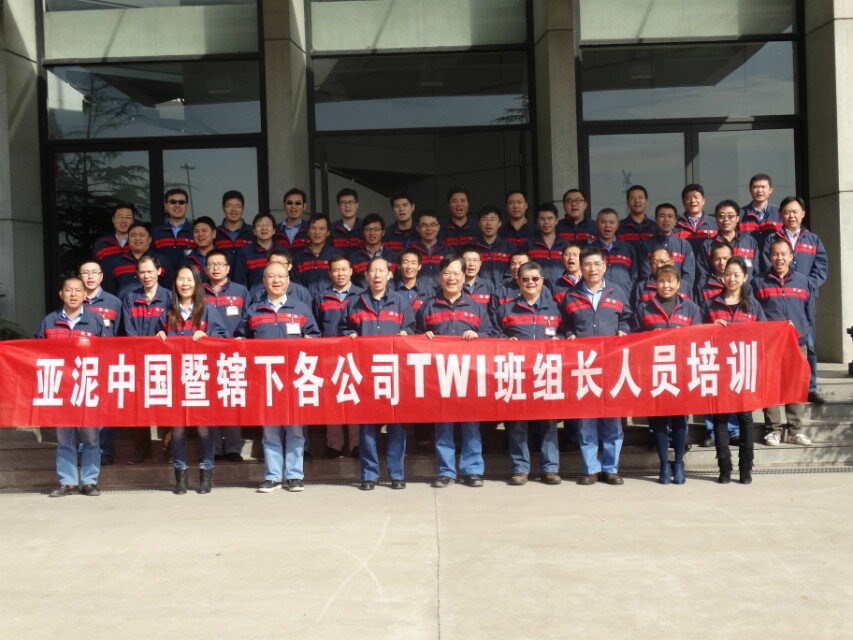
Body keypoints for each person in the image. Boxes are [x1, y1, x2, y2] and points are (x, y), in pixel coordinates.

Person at [240, 262, 321, 492]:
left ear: (288, 280)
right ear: (264, 281)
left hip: (294, 379)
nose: (276, 281)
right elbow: (241, 339)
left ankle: (295, 475)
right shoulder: (254, 310)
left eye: (281, 276)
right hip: (265, 380)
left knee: (295, 429)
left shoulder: (301, 309)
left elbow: (315, 336)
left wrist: (310, 342)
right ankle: (273, 476)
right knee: (270, 430)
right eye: (271, 277)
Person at [416, 255, 494, 487]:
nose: (451, 278)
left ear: (464, 276)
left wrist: (477, 335)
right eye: (447, 273)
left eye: (456, 274)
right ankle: (446, 471)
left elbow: (491, 335)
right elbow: (414, 337)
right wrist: (423, 337)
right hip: (439, 376)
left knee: (471, 424)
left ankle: (473, 470)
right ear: (440, 277)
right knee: (443, 424)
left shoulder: (476, 306)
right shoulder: (428, 306)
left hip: (469, 376)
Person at [339, 257, 415, 490]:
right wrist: (349, 335)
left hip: (394, 373)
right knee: (367, 427)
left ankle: (396, 474)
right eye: (373, 271)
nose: (378, 275)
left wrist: (406, 334)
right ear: (366, 276)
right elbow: (343, 328)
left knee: (396, 426)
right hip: (365, 374)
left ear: (390, 275)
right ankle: (369, 475)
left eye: (382, 271)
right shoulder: (355, 302)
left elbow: (412, 328)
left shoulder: (400, 301)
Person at [562, 246, 632, 486]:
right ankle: (591, 468)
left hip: (612, 365)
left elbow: (628, 319)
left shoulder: (617, 292)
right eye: (587, 264)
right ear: (581, 268)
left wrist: (624, 331)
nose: (592, 269)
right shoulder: (571, 296)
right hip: (584, 367)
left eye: (597, 264)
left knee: (612, 419)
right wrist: (569, 334)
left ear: (605, 266)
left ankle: (611, 469)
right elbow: (564, 325)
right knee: (587, 420)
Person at [156, 265, 228, 494]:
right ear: (175, 283)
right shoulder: (167, 311)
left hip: (201, 378)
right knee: (177, 430)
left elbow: (224, 339)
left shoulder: (208, 310)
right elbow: (154, 340)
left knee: (204, 429)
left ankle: (206, 473)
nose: (185, 284)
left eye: (189, 279)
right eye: (181, 279)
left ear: (197, 284)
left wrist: (208, 337)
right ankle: (181, 477)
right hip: (175, 379)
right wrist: (159, 337)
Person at [493, 261, 562, 486]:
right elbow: (493, 334)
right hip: (518, 374)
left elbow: (567, 333)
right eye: (525, 279)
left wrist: (560, 339)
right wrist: (505, 340)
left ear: (542, 280)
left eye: (535, 279)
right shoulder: (506, 309)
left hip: (546, 373)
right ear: (518, 281)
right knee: (517, 423)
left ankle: (550, 468)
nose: (530, 283)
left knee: (549, 422)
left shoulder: (554, 309)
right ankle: (520, 468)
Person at [36, 275, 106, 497]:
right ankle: (67, 482)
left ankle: (89, 481)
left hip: (88, 386)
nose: (73, 294)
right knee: (64, 438)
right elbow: (36, 353)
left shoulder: (95, 321)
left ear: (85, 295)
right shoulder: (49, 321)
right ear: (61, 294)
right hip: (60, 388)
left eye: (78, 290)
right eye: (69, 290)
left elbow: (108, 353)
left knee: (91, 438)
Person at [635, 265, 703, 484]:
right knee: (659, 420)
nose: (666, 285)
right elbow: (634, 338)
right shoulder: (645, 307)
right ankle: (664, 464)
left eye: (670, 281)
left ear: (678, 284)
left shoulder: (690, 308)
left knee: (680, 419)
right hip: (655, 371)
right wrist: (649, 336)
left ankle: (679, 463)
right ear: (655, 283)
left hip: (681, 371)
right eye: (662, 281)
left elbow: (699, 337)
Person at [759, 196, 829, 404]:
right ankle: (779, 388)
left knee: (808, 346)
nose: (791, 216)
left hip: (801, 300)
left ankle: (810, 387)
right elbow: (766, 264)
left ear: (803, 214)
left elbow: (821, 267)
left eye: (795, 211)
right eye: (787, 212)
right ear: (781, 215)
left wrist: (806, 285)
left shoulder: (813, 239)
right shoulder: (772, 239)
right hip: (776, 298)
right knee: (776, 350)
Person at [704, 257, 766, 484]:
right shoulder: (712, 304)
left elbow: (764, 333)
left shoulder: (753, 305)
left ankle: (746, 468)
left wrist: (784, 328)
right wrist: (710, 327)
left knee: (745, 418)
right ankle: (724, 467)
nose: (731, 278)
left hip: (744, 368)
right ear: (722, 277)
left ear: (745, 278)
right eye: (728, 274)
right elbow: (698, 332)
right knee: (720, 418)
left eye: (736, 275)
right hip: (719, 368)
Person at [753, 237, 813, 447]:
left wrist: (803, 330)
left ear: (791, 256)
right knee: (769, 386)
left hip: (797, 343)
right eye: (775, 254)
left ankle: (795, 430)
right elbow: (755, 314)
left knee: (795, 385)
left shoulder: (803, 281)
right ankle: (773, 430)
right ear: (769, 257)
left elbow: (809, 312)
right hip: (770, 344)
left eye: (783, 254)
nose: (779, 258)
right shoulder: (758, 282)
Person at [121, 255, 173, 464]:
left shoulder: (170, 297)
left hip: (164, 360)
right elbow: (129, 329)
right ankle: (141, 450)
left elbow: (172, 327)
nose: (146, 276)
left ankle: (169, 449)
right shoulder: (130, 298)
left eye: (150, 271)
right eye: (142, 272)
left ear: (159, 271)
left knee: (166, 405)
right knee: (139, 406)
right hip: (139, 359)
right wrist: (143, 348)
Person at [313, 253, 363, 458]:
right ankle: (334, 444)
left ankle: (356, 444)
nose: (340, 273)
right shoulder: (321, 297)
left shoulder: (362, 295)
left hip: (355, 355)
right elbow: (315, 326)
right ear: (330, 273)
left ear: (351, 271)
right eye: (336, 270)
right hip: (329, 355)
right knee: (332, 399)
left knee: (354, 398)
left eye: (344, 269)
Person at [202, 249, 249, 462]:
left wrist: (241, 339)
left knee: (232, 399)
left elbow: (248, 319)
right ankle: (214, 449)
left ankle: (232, 448)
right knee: (209, 403)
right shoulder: (198, 292)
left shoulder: (240, 291)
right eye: (211, 264)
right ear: (205, 269)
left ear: (228, 268)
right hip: (206, 355)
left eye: (220, 264)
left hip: (233, 355)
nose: (216, 268)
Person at [694, 244, 741, 448]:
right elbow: (697, 318)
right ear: (711, 261)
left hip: (737, 351)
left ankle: (735, 431)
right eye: (717, 259)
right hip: (712, 350)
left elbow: (758, 321)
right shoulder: (705, 290)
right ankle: (712, 431)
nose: (722, 263)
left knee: (733, 389)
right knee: (712, 390)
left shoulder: (745, 291)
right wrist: (710, 326)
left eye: (726, 258)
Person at [78, 260, 122, 465]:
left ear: (101, 276)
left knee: (105, 408)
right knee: (83, 406)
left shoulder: (114, 302)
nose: (90, 277)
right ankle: (83, 449)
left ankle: (104, 449)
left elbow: (120, 334)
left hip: (107, 363)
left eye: (94, 272)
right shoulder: (74, 300)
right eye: (85, 273)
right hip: (80, 364)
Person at [639, 203, 696, 296]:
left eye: (670, 216)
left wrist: (673, 293)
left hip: (679, 296)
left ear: (675, 221)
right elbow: (646, 275)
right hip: (653, 296)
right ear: (656, 219)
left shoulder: (684, 245)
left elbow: (688, 277)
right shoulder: (646, 245)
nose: (666, 220)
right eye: (662, 216)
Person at [104, 222, 171, 298]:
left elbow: (170, 289)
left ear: (150, 239)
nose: (137, 238)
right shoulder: (116, 263)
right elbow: (108, 293)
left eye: (141, 235)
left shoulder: (161, 261)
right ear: (128, 239)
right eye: (133, 235)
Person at [697, 200, 758, 280]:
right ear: (716, 219)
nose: (726, 219)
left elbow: (757, 272)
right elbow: (702, 274)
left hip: (745, 287)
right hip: (716, 287)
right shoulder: (708, 245)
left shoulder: (749, 242)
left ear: (737, 218)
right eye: (721, 216)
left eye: (730, 216)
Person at [590, 207, 637, 295]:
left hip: (623, 298)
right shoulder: (589, 249)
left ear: (617, 225)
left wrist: (629, 291)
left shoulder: (627, 249)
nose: (607, 226)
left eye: (611, 222)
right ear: (596, 224)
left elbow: (634, 276)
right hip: (598, 298)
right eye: (603, 222)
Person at [152, 188, 195, 277]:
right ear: (166, 205)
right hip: (162, 280)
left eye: (181, 202)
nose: (177, 205)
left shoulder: (195, 231)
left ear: (187, 206)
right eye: (173, 202)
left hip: (188, 281)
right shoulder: (156, 232)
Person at [292, 213, 337, 295]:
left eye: (322, 229)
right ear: (308, 231)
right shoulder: (299, 258)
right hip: (305, 301)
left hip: (331, 301)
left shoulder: (337, 255)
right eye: (313, 228)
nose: (317, 232)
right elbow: (296, 285)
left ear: (328, 232)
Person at [525, 203, 567, 288]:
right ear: (537, 222)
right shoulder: (529, 245)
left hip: (562, 290)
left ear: (556, 220)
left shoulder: (566, 245)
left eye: (550, 218)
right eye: (542, 219)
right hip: (537, 290)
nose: (546, 222)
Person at [350, 213, 398, 287]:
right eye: (368, 229)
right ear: (362, 233)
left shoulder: (394, 257)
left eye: (376, 229)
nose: (372, 233)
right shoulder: (354, 258)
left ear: (383, 232)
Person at [409, 211, 452, 291]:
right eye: (424, 225)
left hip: (443, 294)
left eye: (433, 225)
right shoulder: (410, 252)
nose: (429, 229)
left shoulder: (448, 251)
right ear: (418, 228)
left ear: (438, 227)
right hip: (418, 295)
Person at [236, 212, 278, 288]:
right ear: (254, 231)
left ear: (274, 230)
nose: (264, 228)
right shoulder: (246, 252)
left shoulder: (282, 251)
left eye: (268, 225)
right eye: (260, 225)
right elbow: (241, 281)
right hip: (254, 295)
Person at [473, 205, 512, 286]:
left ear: (499, 223)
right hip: (478, 292)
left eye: (492, 219)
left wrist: (502, 290)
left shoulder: (510, 248)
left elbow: (511, 275)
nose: (488, 223)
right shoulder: (471, 247)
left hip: (503, 292)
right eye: (485, 219)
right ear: (479, 223)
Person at [674, 184, 717, 257]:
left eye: (696, 197)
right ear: (683, 202)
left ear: (703, 201)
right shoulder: (675, 226)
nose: (693, 201)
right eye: (688, 198)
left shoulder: (715, 223)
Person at [214, 190, 254, 264]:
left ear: (243, 208)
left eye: (238, 206)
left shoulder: (252, 232)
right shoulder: (215, 233)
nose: (234, 209)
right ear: (223, 208)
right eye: (229, 206)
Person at [739, 173, 781, 242]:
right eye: (755, 187)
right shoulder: (740, 214)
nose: (759, 191)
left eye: (763, 187)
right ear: (750, 190)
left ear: (770, 190)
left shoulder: (780, 214)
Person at [93, 203, 135, 271]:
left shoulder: (139, 243)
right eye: (119, 217)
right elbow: (95, 269)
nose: (123, 221)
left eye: (128, 217)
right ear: (113, 220)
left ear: (133, 221)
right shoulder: (101, 243)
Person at [617, 185, 656, 250]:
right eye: (633, 198)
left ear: (646, 202)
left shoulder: (655, 227)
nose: (637, 201)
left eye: (640, 197)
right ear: (627, 203)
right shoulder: (619, 227)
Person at [330, 188, 363, 253]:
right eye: (343, 203)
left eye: (350, 202)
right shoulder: (332, 229)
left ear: (356, 205)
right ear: (338, 206)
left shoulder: (365, 227)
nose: (347, 206)